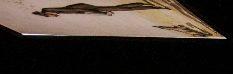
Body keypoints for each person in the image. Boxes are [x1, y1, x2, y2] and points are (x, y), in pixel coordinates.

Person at [33, 2, 165, 17]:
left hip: (93, 8)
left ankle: (156, 6)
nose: (53, 17)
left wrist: (104, 13)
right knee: (123, 8)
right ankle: (151, 5)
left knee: (125, 9)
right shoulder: (56, 10)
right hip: (86, 7)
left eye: (50, 16)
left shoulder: (61, 11)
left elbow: (86, 11)